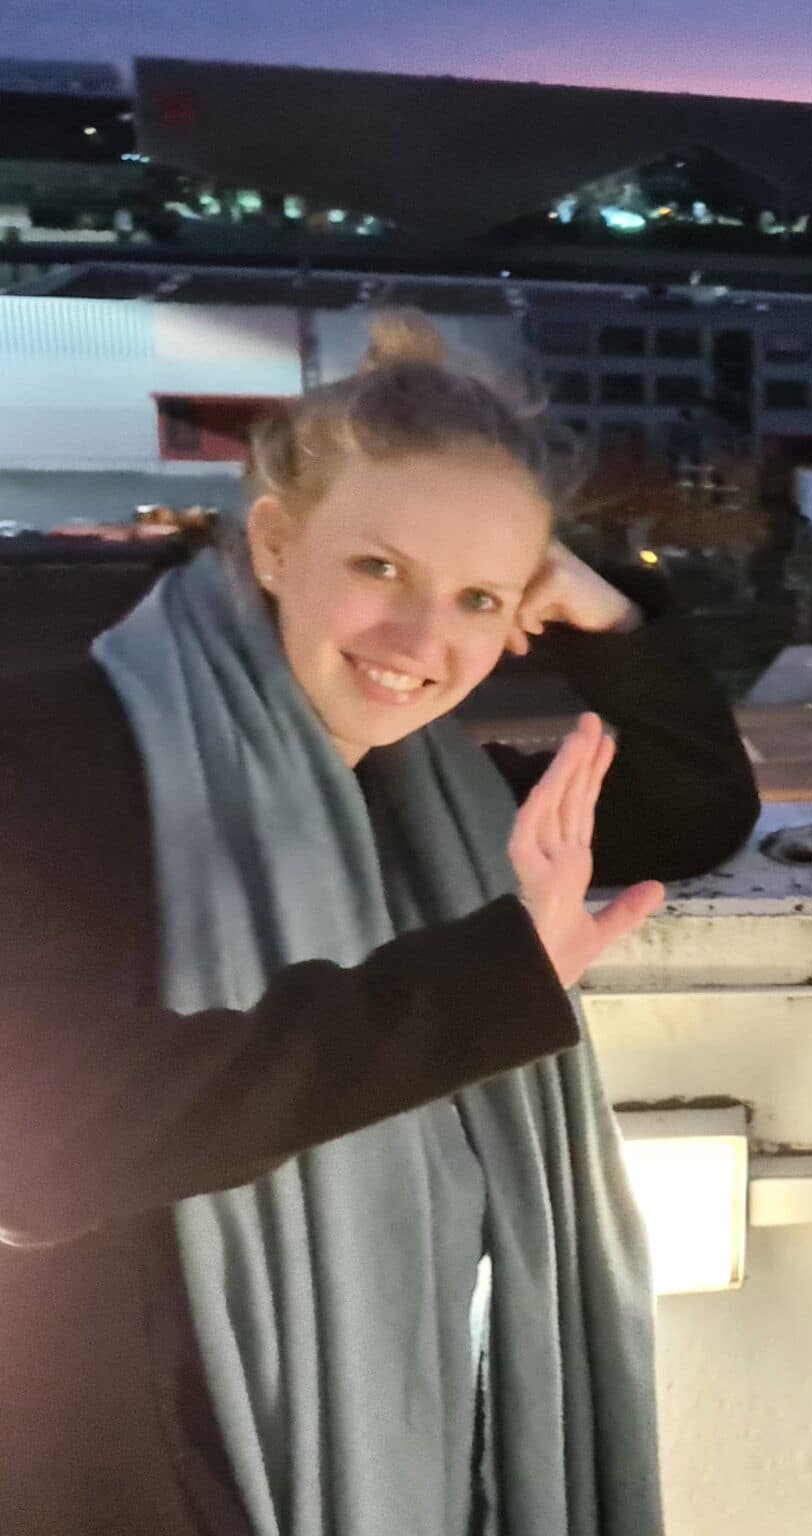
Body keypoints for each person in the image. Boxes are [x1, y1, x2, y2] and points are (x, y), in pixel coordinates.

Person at [0, 313, 759, 1536]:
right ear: (273, 543)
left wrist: (607, 618)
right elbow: (49, 1145)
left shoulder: (431, 804)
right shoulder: (43, 757)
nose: (421, 640)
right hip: (126, 1465)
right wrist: (486, 985)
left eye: (477, 597)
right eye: (379, 567)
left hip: (388, 1454)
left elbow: (689, 805)